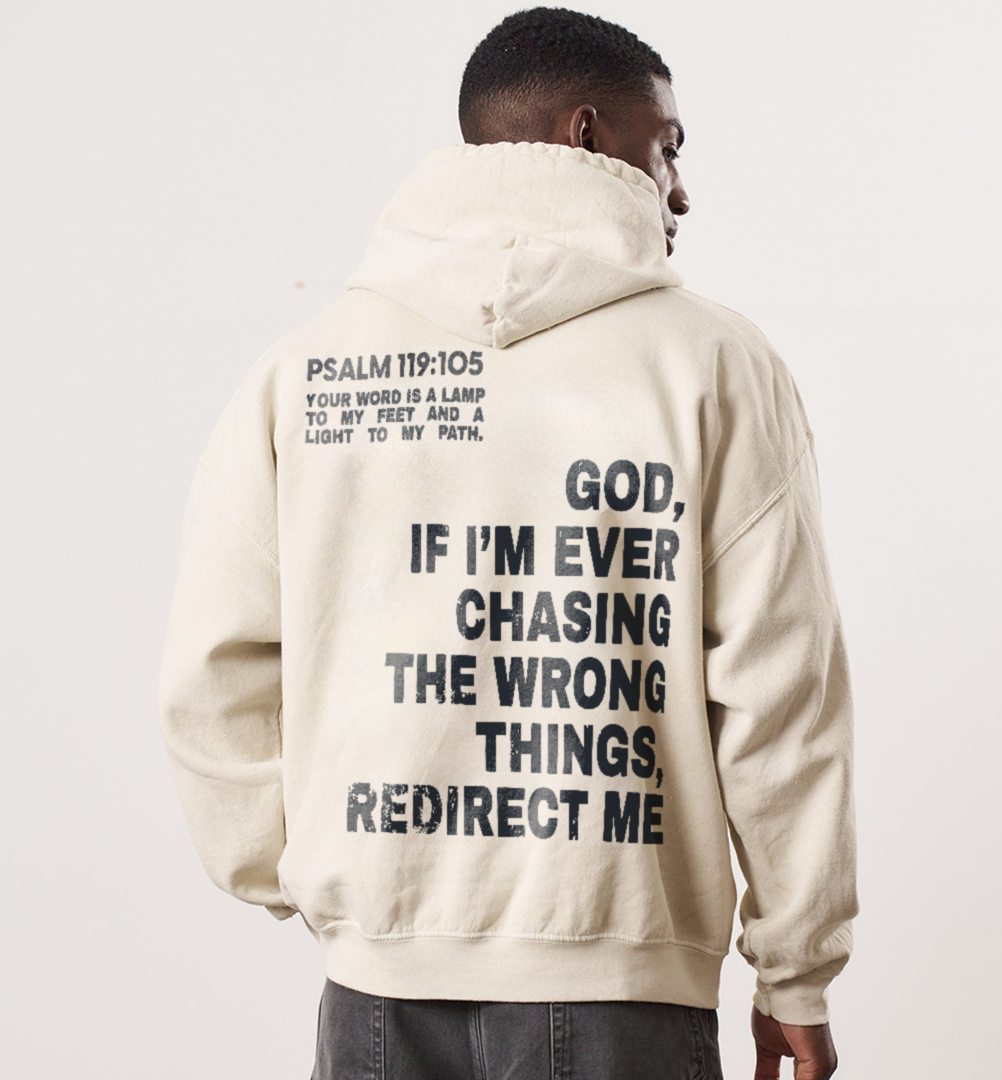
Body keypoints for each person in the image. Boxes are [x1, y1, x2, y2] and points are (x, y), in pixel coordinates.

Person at [157, 7, 858, 1079]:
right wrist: (795, 972)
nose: (679, 189)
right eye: (667, 145)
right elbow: (782, 696)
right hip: (623, 979)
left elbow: (214, 668)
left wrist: (323, 881)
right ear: (587, 134)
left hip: (378, 988)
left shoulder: (309, 369)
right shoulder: (715, 366)